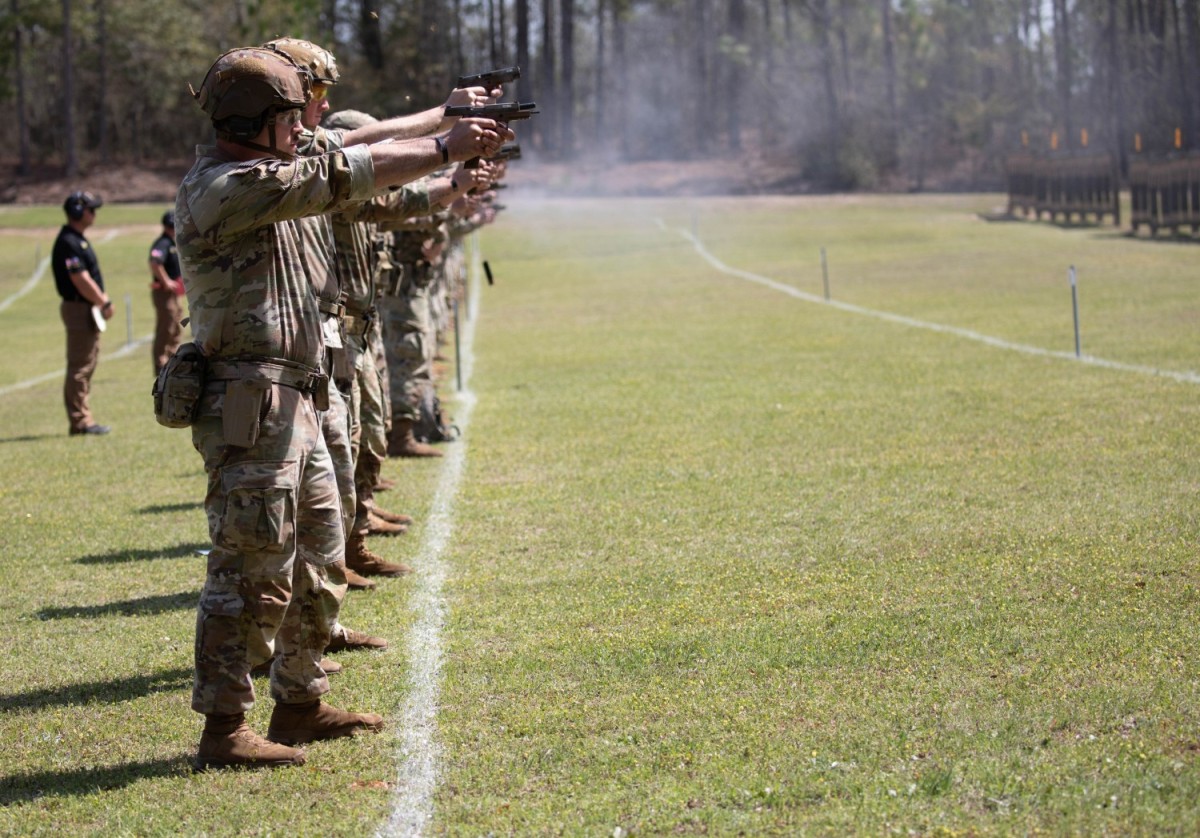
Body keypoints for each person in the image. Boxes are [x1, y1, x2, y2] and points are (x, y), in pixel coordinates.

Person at [178, 46, 509, 771]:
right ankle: (224, 727)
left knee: (320, 551)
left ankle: (298, 700)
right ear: (257, 121)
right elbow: (338, 166)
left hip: (298, 390)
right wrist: (444, 144)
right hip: (249, 398)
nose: (306, 127)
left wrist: (449, 116)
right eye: (293, 116)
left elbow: (353, 140)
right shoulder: (227, 186)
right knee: (250, 565)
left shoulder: (277, 161)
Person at [53, 190, 112, 436]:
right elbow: (79, 277)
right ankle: (80, 421)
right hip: (79, 307)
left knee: (87, 363)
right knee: (80, 365)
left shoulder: (77, 239)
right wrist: (103, 301)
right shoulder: (69, 242)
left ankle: (83, 417)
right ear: (78, 212)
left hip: (85, 307)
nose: (94, 214)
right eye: (91, 209)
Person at [148, 210, 185, 374]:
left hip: (174, 294)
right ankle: (160, 363)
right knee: (166, 327)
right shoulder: (162, 243)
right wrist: (166, 281)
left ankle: (172, 360)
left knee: (176, 326)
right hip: (164, 293)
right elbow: (154, 262)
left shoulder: (172, 243)